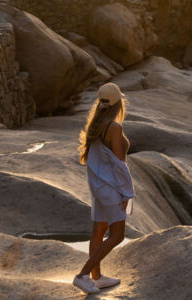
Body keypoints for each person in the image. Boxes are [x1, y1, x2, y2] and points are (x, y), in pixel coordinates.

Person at [72, 83, 134, 294]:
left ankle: (96, 277)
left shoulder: (96, 124)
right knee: (117, 235)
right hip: (111, 188)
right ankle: (82, 276)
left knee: (99, 230)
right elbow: (119, 164)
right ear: (118, 104)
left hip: (98, 186)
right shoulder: (114, 128)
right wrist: (127, 194)